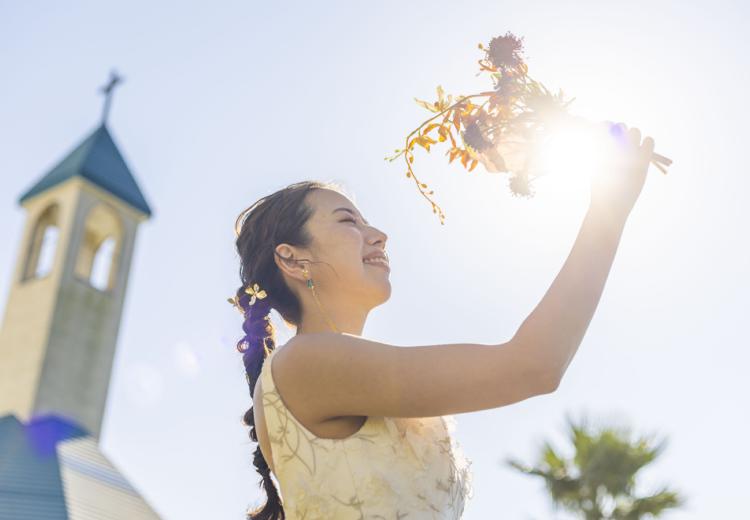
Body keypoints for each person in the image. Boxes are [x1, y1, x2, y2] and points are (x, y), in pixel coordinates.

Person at [230, 122, 655, 519]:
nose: (378, 234)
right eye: (348, 221)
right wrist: (608, 212)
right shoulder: (306, 362)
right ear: (292, 257)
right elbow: (533, 366)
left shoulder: (319, 367)